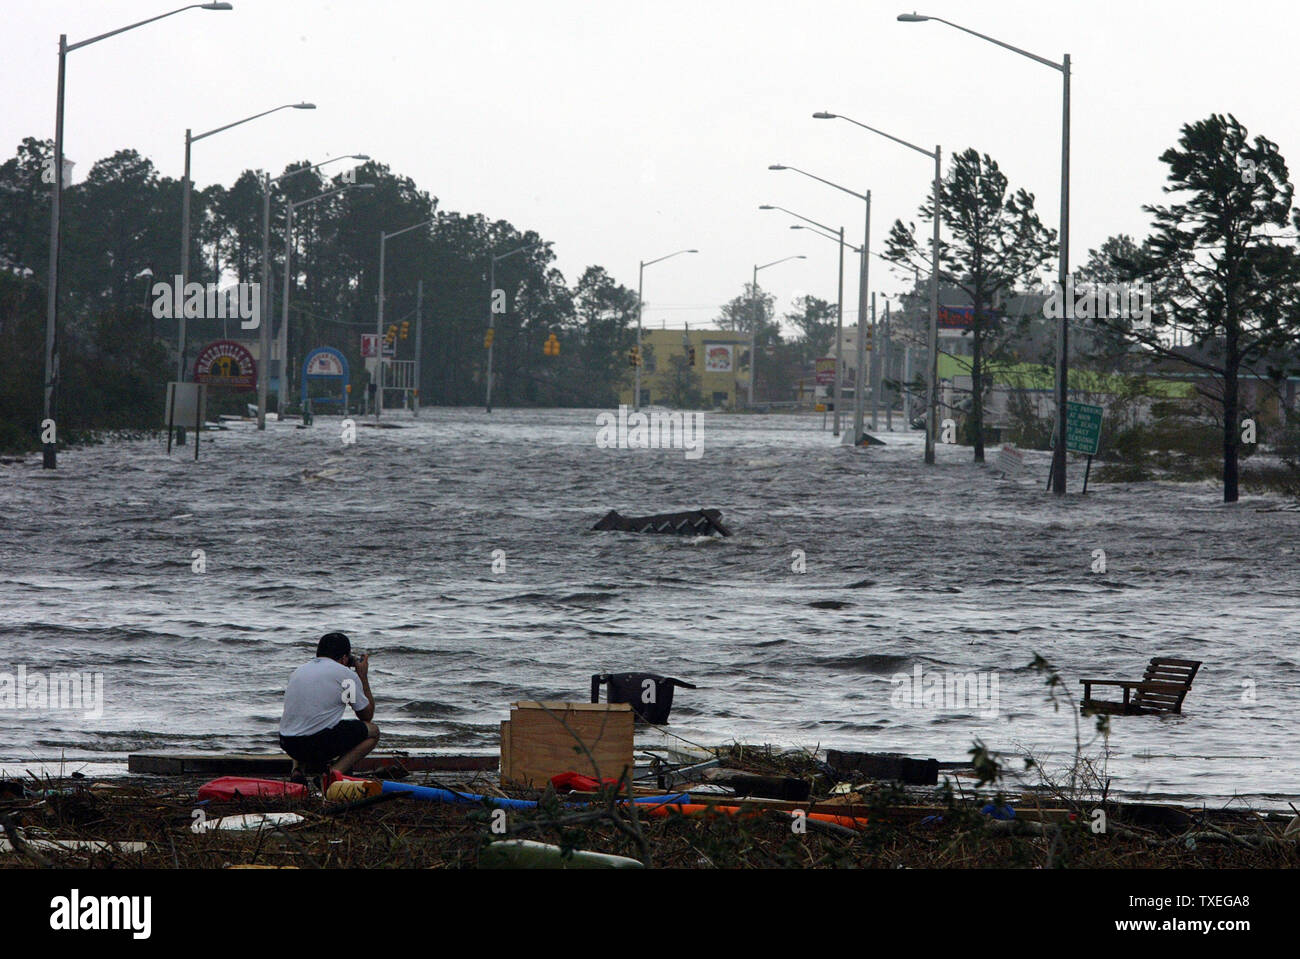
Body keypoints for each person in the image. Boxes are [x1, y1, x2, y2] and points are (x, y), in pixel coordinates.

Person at [279, 632, 378, 782]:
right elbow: (366, 715)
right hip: (315, 744)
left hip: (288, 743)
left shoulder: (298, 672)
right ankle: (329, 776)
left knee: (304, 721)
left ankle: (297, 772)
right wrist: (362, 676)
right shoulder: (346, 675)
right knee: (373, 731)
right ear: (345, 658)